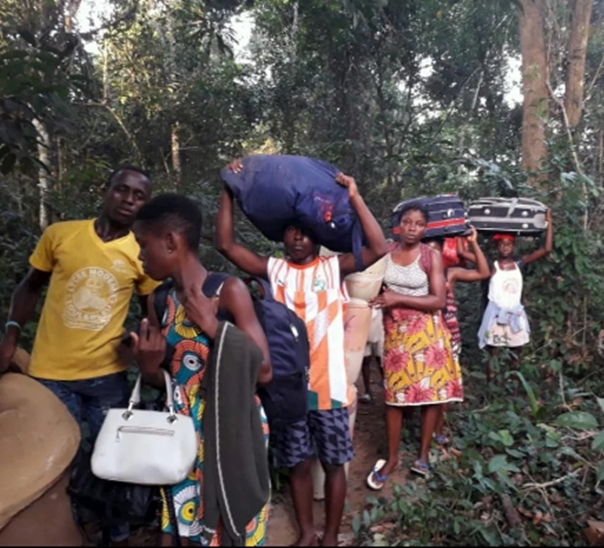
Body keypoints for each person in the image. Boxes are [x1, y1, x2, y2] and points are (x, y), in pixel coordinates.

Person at [216, 159, 387, 547]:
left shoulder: (333, 269)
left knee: (333, 462)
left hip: (329, 388)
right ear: (283, 237)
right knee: (296, 464)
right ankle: (307, 534)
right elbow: (225, 245)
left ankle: (329, 535)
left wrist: (356, 197)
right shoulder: (272, 270)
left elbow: (378, 246)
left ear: (317, 238)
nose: (296, 238)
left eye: (305, 232)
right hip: (287, 388)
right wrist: (230, 187)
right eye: (291, 231)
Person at [0, 166, 157, 546]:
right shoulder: (61, 235)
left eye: (138, 196)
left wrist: (145, 346)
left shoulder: (141, 251)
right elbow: (30, 286)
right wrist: (11, 334)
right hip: (50, 372)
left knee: (114, 459)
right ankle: (63, 530)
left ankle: (117, 531)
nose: (129, 200)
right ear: (106, 191)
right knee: (55, 462)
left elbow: (153, 309)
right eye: (122, 190)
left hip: (107, 376)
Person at [130, 193, 273, 546]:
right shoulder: (158, 300)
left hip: (231, 426)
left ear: (170, 241)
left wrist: (213, 326)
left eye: (143, 245)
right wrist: (149, 367)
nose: (139, 256)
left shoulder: (227, 291)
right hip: (179, 431)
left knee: (229, 521)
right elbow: (163, 376)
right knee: (182, 520)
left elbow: (265, 371)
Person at [366, 204, 464, 490]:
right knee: (394, 397)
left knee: (430, 395)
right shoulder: (385, 252)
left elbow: (438, 301)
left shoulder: (430, 256)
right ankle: (393, 457)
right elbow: (373, 285)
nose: (412, 228)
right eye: (407, 222)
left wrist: (398, 298)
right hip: (396, 331)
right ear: (398, 226)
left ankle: (423, 455)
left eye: (418, 224)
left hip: (428, 332)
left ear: (425, 228)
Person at [425, 227, 490, 445]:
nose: (432, 255)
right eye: (428, 250)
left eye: (437, 251)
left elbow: (483, 272)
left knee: (445, 384)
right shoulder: (414, 274)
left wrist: (472, 242)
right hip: (424, 336)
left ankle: (439, 429)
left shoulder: (449, 273)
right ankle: (419, 426)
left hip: (449, 335)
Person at [477, 209, 554, 374]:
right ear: (497, 246)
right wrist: (469, 238)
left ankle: (515, 391)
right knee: (492, 355)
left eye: (509, 244)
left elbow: (546, 249)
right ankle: (491, 392)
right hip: (495, 316)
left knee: (516, 354)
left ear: (513, 247)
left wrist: (549, 222)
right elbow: (465, 253)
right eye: (502, 244)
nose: (505, 247)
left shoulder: (520, 263)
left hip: (515, 315)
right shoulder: (491, 265)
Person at [358, 306, 384, 404]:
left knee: (381, 358)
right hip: (362, 316)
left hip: (376, 315)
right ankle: (367, 392)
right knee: (365, 359)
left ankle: (387, 390)